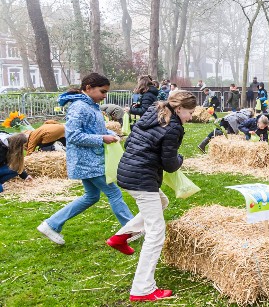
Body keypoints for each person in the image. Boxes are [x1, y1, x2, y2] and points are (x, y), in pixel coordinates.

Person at [106, 91, 196, 302]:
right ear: (180, 109)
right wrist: (180, 158)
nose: (191, 117)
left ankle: (122, 236)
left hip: (127, 172)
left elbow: (129, 144)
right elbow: (170, 164)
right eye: (190, 113)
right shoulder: (173, 127)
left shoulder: (153, 111)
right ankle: (143, 289)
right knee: (156, 233)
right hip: (142, 179)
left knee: (162, 201)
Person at [38, 73, 133, 245]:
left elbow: (96, 129)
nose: (105, 96)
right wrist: (102, 139)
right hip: (87, 161)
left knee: (92, 196)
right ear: (88, 88)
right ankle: (131, 230)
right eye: (102, 92)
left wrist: (112, 133)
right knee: (114, 192)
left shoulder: (91, 105)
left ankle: (52, 224)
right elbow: (73, 136)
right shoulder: (79, 107)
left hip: (90, 160)